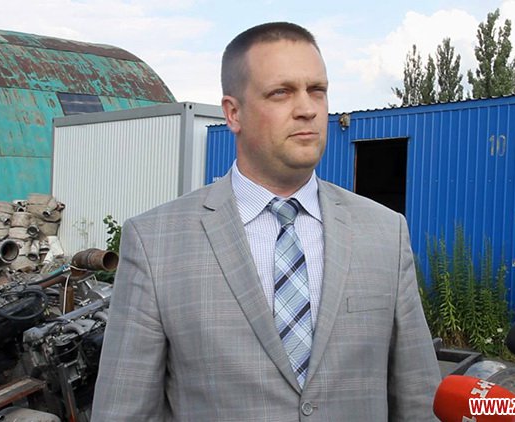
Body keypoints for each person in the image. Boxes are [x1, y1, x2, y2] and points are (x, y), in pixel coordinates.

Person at [91, 22, 441, 421]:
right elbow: (124, 411)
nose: (308, 108)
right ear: (233, 113)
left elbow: (420, 403)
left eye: (317, 90)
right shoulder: (156, 243)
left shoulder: (385, 233)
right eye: (281, 92)